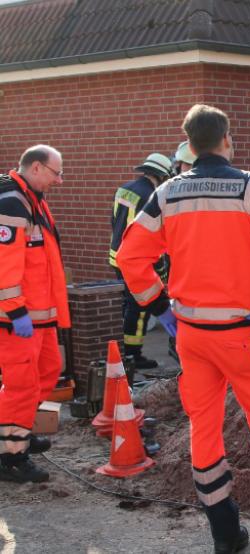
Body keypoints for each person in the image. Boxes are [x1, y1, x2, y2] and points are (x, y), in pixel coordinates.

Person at [116, 104, 250, 553]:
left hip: (192, 336)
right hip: (245, 335)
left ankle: (226, 537)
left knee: (204, 430)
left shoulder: (168, 193)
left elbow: (131, 256)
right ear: (227, 140)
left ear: (189, 145)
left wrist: (160, 307)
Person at [0, 145, 70, 484]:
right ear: (38, 167)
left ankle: (20, 431)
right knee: (20, 386)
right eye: (56, 173)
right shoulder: (13, 203)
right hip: (17, 320)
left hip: (40, 317)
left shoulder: (33, 199)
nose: (59, 180)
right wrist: (16, 312)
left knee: (46, 373)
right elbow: (5, 267)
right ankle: (11, 457)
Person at [108, 153, 173, 371]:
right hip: (138, 259)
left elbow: (114, 219)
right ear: (162, 176)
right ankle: (133, 355)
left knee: (129, 303)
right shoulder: (151, 196)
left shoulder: (124, 189)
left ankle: (129, 353)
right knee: (139, 306)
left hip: (117, 255)